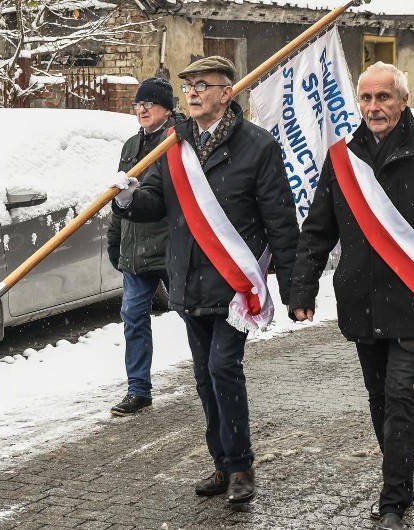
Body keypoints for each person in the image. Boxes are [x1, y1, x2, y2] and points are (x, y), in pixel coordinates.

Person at [289, 62, 414, 530]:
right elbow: (317, 231)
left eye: (384, 98)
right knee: (378, 397)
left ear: (403, 100)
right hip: (361, 297)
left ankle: (393, 498)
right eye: (366, 98)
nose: (374, 107)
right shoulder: (341, 158)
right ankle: (402, 477)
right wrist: (303, 287)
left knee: (400, 396)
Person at [111, 56, 299, 503]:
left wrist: (294, 287)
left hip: (236, 285)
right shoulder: (174, 147)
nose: (193, 92)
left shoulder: (257, 146)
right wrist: (127, 199)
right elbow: (157, 203)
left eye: (203, 85)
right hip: (188, 278)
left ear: (226, 93)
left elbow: (279, 219)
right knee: (203, 375)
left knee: (222, 367)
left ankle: (241, 467)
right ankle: (222, 463)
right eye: (189, 85)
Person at [108, 77, 185, 416]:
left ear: (167, 108)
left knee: (194, 314)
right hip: (136, 250)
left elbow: (170, 198)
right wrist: (115, 236)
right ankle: (138, 389)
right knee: (133, 317)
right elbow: (119, 194)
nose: (142, 109)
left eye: (149, 103)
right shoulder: (129, 146)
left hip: (171, 246)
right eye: (138, 104)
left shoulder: (178, 141)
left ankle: (215, 374)